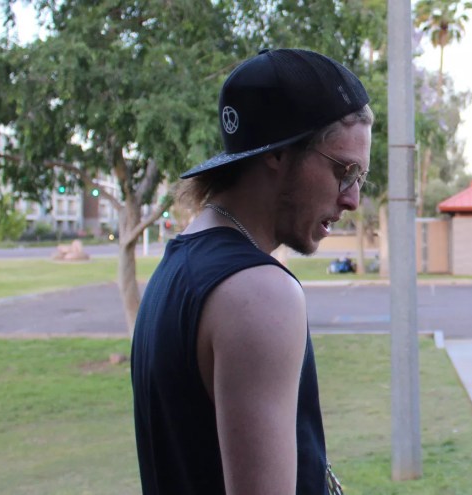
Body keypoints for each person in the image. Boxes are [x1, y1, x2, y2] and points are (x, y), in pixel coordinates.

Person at [131, 48, 373, 495]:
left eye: (360, 178)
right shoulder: (260, 294)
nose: (352, 199)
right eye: (344, 170)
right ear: (278, 154)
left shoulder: (179, 268)